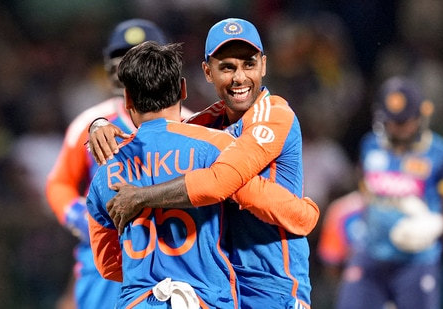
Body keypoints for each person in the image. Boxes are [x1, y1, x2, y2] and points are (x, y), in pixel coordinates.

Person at [88, 18, 315, 308]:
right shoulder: (207, 130)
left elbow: (220, 181)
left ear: (264, 66)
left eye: (249, 64)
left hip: (273, 283)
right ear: (207, 72)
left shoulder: (274, 113)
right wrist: (98, 125)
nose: (239, 78)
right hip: (225, 284)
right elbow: (158, 134)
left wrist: (139, 197)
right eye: (227, 67)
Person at [45, 18, 188, 308]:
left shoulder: (193, 123)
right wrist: (78, 217)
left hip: (174, 253)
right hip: (106, 258)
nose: (128, 66)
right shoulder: (87, 123)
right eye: (119, 57)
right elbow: (59, 183)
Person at [335, 76, 443, 309]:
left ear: (420, 116)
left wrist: (434, 224)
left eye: (403, 122)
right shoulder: (370, 145)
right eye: (390, 122)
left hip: (415, 263)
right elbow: (366, 194)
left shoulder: (442, 155)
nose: (396, 129)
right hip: (370, 255)